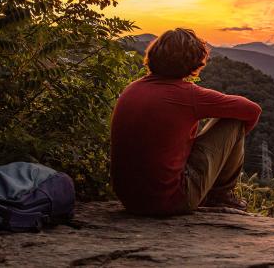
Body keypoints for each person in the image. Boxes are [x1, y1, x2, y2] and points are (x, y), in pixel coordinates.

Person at [110, 28, 262, 216]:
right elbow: (252, 110)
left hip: (129, 199)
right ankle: (220, 195)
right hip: (169, 201)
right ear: (193, 62)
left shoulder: (132, 89)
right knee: (233, 123)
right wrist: (228, 147)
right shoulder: (187, 95)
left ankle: (215, 193)